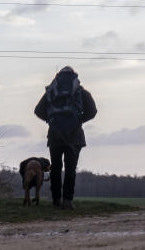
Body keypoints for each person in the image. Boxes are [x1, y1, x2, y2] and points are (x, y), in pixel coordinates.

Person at [33, 66, 97, 209]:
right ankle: (68, 201)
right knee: (70, 169)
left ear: (58, 77)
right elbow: (92, 111)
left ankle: (56, 200)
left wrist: (51, 120)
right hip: (75, 137)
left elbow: (38, 110)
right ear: (74, 77)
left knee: (55, 168)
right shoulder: (81, 92)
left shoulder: (51, 92)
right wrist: (79, 120)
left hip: (55, 136)